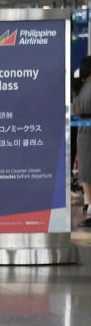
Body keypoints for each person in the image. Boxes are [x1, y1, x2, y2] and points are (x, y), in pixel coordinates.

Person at [74, 57, 91, 226]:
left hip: (82, 134)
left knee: (86, 173)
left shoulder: (81, 88)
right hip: (88, 134)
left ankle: (90, 206)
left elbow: (76, 110)